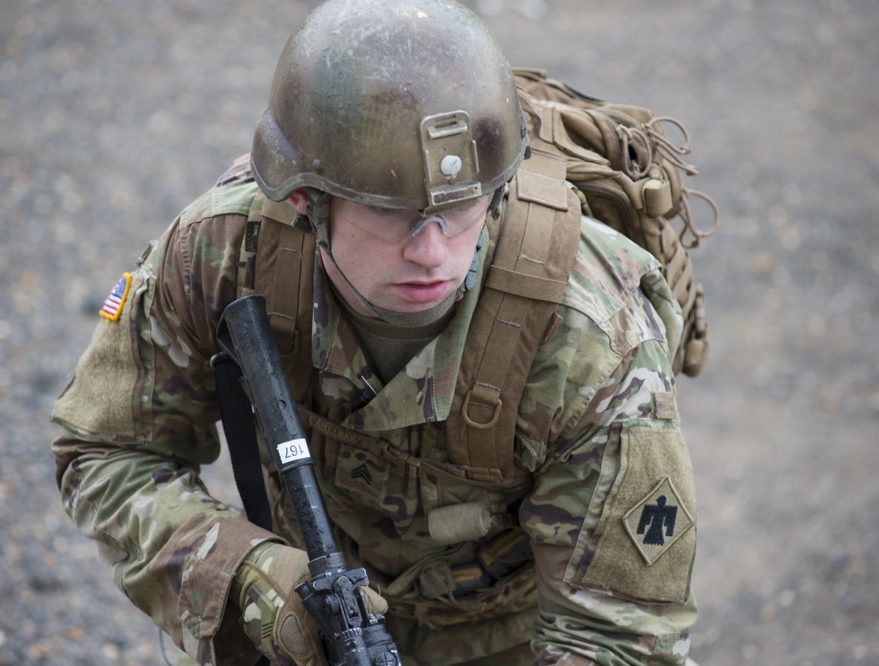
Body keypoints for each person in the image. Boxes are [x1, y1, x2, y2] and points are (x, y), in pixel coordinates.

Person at [49, 0, 699, 664]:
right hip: (298, 627)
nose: (432, 251)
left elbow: (623, 636)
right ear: (306, 198)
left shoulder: (591, 335)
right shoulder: (223, 254)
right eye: (393, 215)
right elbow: (105, 449)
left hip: (510, 640)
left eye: (457, 209)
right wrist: (241, 572)